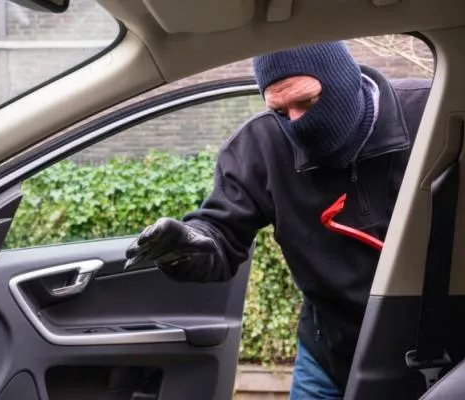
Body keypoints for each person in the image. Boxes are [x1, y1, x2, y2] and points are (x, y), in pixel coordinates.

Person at [124, 41, 431, 399]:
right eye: (281, 111)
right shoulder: (260, 147)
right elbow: (221, 233)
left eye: (308, 102)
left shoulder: (434, 114)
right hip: (331, 356)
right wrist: (190, 249)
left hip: (446, 349)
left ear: (344, 79)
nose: (297, 123)